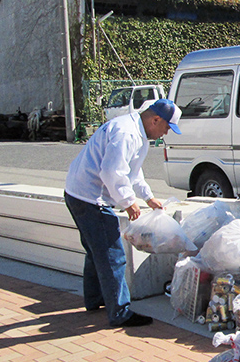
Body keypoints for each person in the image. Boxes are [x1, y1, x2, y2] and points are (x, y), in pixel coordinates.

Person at [64, 98, 182, 327]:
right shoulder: (127, 133)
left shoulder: (135, 130)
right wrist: (129, 202)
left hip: (77, 193)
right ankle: (120, 312)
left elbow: (132, 170)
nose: (166, 132)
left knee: (95, 250)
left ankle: (95, 299)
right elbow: (111, 172)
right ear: (155, 119)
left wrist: (147, 197)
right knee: (113, 256)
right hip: (91, 198)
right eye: (167, 127)